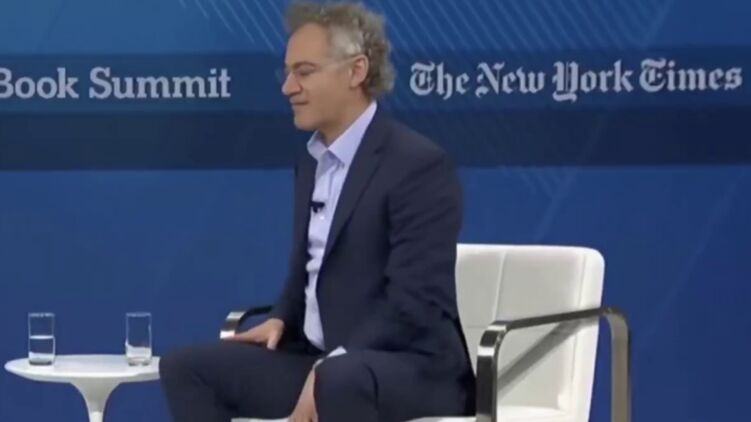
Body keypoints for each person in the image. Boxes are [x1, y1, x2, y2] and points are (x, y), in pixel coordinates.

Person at [159, 2, 475, 421]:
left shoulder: (416, 165)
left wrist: (332, 363)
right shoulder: (311, 162)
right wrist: (281, 318)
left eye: (304, 72)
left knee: (339, 380)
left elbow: (414, 305)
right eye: (288, 73)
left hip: (409, 368)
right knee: (186, 368)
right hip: (322, 362)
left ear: (356, 71)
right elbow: (309, 266)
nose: (288, 88)